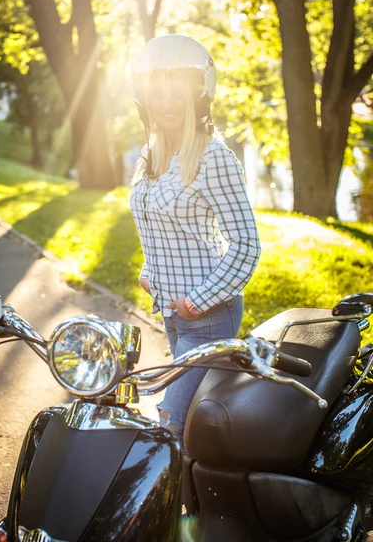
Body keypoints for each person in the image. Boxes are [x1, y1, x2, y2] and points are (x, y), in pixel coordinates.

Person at [129, 34, 261, 450]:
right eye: (157, 93)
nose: (166, 103)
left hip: (207, 316)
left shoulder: (213, 157)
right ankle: (193, 502)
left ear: (197, 96)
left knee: (170, 421)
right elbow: (158, 225)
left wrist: (196, 301)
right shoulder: (151, 157)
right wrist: (150, 272)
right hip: (174, 313)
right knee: (185, 423)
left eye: (176, 93)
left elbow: (246, 245)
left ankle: (172, 513)